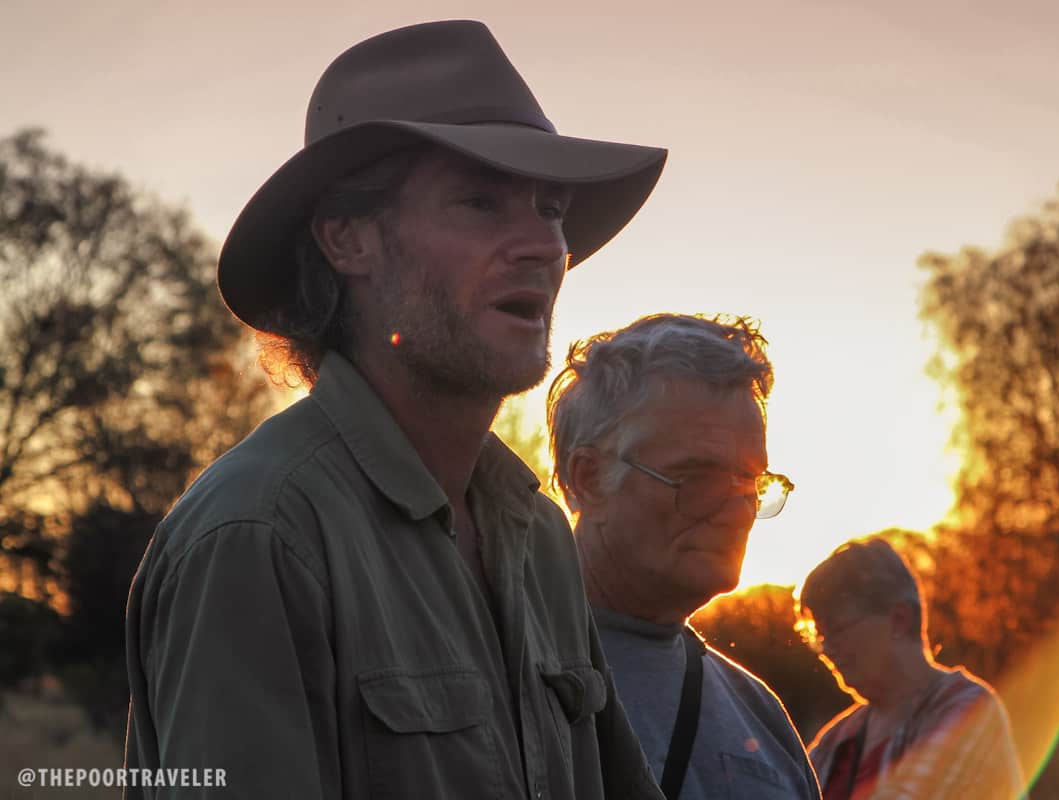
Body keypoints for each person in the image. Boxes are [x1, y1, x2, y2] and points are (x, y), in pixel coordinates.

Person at [124, 21, 669, 800]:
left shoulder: (538, 535)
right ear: (349, 240)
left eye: (551, 208)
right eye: (480, 202)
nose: (543, 246)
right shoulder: (260, 535)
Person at [547, 314, 822, 799]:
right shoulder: (490, 670)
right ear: (588, 478)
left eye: (752, 482)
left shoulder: (761, 715)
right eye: (697, 477)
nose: (738, 511)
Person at [798, 537, 1026, 800]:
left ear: (899, 620)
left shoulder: (967, 709)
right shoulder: (835, 741)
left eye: (837, 630)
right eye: (820, 638)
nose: (827, 650)